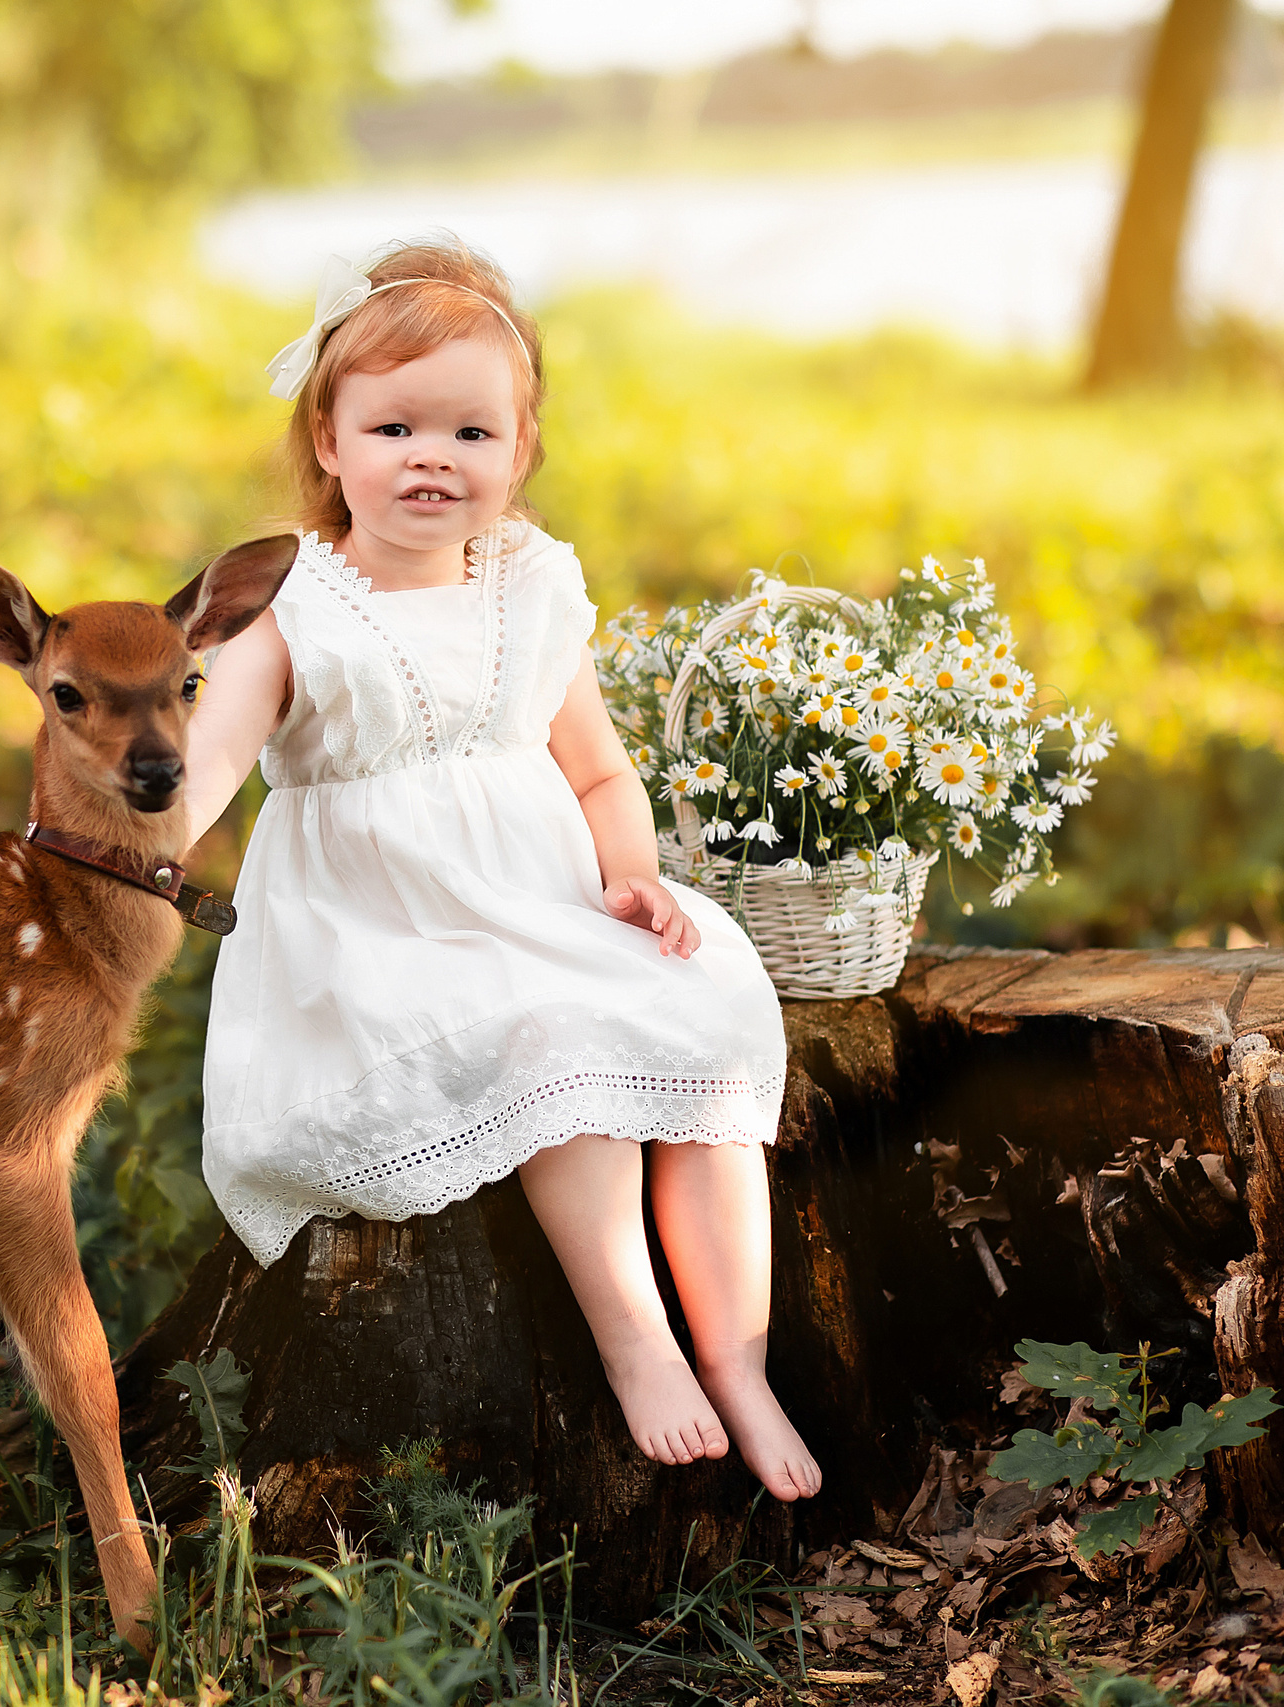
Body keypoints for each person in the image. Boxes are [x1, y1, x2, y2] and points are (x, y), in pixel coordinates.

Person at [181, 238, 821, 1502]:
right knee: (554, 1048)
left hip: (540, 907)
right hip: (377, 945)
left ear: (518, 452)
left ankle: (738, 1359)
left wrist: (632, 878)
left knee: (701, 1030)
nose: (433, 457)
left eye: (471, 433)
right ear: (328, 439)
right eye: (395, 427)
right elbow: (197, 775)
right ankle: (635, 1338)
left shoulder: (527, 584)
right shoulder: (287, 608)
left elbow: (598, 775)